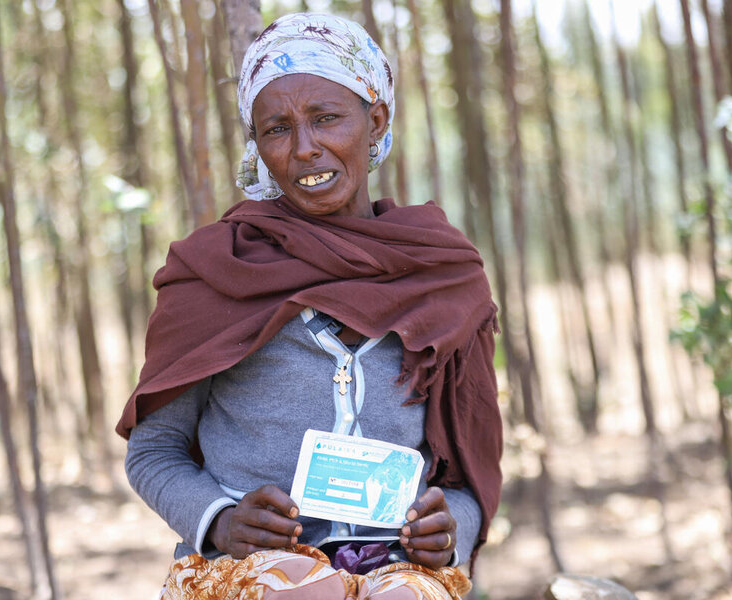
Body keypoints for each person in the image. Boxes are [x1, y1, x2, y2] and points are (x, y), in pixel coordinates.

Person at [117, 12, 502, 599]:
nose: (304, 149)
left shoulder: (440, 275)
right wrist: (221, 518)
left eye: (326, 119)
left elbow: (467, 474)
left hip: (398, 569)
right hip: (249, 571)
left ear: (375, 121)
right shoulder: (219, 273)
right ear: (258, 145)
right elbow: (153, 452)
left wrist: (448, 531)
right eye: (276, 129)